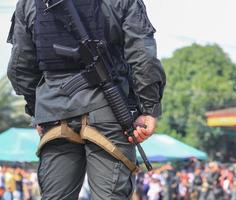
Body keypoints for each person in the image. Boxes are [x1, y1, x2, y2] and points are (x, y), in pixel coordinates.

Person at [7, 0, 166, 199]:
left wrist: (36, 109)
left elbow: (19, 68)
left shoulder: (29, 3)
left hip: (55, 117)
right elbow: (144, 58)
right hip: (109, 114)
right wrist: (149, 109)